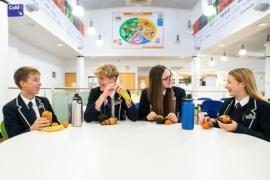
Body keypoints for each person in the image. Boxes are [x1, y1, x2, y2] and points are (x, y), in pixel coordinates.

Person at [202, 68, 270, 141]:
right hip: (227, 146)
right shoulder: (227, 102)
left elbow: (267, 137)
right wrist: (212, 122)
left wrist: (237, 128)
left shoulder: (264, 107)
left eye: (229, 82)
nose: (226, 86)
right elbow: (221, 123)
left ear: (243, 83)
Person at [2, 66, 59, 138]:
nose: (40, 83)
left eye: (39, 80)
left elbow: (56, 123)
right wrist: (31, 128)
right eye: (35, 80)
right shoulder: (9, 108)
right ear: (23, 83)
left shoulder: (44, 101)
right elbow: (13, 136)